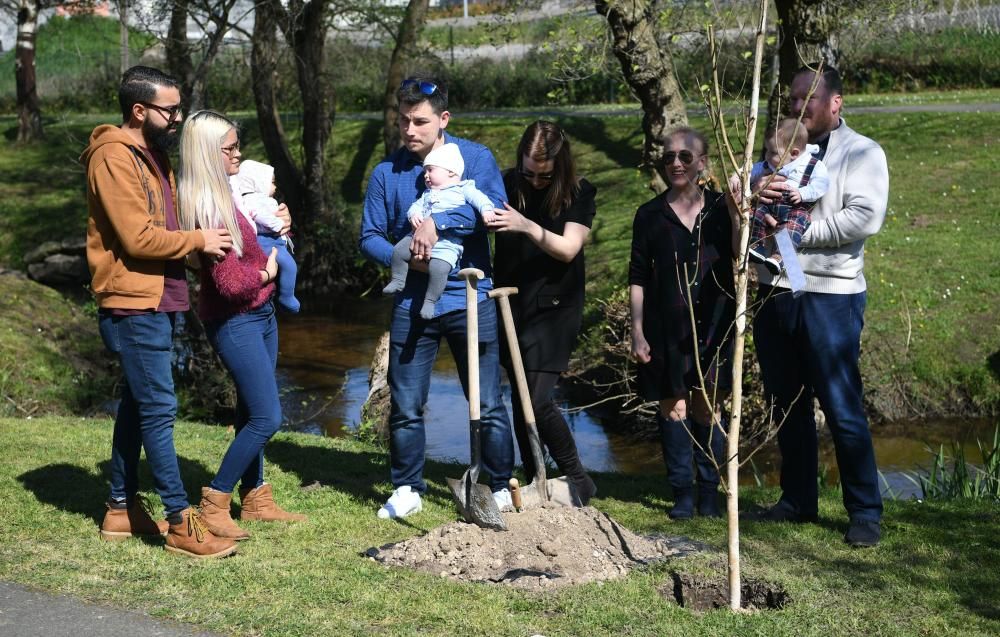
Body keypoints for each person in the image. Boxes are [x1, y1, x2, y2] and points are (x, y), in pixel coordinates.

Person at [83, 66, 237, 558]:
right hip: (132, 303)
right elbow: (137, 237)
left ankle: (119, 508)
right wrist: (198, 240)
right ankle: (178, 521)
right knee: (159, 409)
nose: (177, 117)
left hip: (159, 296)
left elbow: (167, 226)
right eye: (170, 109)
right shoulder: (113, 156)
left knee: (136, 405)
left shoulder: (154, 156)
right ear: (139, 110)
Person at [359, 76, 514, 519]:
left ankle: (498, 484)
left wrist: (438, 225)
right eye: (403, 121)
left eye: (420, 122)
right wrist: (404, 256)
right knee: (406, 403)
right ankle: (407, 487)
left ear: (443, 119)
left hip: (471, 297)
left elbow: (494, 213)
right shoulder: (388, 173)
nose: (410, 130)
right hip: (411, 303)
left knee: (486, 400)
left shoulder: (476, 159)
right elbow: (368, 236)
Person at [751, 65, 889, 548]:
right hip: (773, 291)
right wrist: (754, 197)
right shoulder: (778, 150)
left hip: (831, 295)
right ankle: (797, 500)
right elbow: (751, 200)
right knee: (786, 404)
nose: (797, 106)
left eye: (807, 97)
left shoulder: (863, 152)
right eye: (792, 98)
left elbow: (864, 217)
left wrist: (801, 235)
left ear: (836, 102)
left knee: (841, 406)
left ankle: (865, 511)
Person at [178, 110, 306, 541]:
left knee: (251, 410)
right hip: (236, 321)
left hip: (262, 314)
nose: (238, 153)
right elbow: (230, 283)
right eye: (229, 148)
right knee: (267, 417)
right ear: (206, 154)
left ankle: (256, 497)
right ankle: (213, 501)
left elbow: (256, 238)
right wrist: (269, 274)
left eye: (237, 145)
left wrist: (279, 220)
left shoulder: (231, 191)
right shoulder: (208, 206)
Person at [628, 127, 738, 520]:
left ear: (702, 163)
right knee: (673, 408)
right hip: (664, 330)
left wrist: (740, 211)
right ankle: (682, 494)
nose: (676, 163)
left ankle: (710, 492)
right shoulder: (649, 215)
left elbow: (743, 256)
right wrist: (637, 331)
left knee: (709, 409)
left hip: (715, 327)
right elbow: (638, 276)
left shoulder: (723, 209)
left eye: (685, 157)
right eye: (669, 156)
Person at [489, 120, 598, 505]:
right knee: (520, 397)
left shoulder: (579, 192)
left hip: (555, 307)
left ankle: (579, 479)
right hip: (508, 303)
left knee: (537, 399)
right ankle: (537, 474)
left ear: (560, 166)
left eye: (544, 175)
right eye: (528, 173)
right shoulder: (504, 182)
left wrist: (525, 226)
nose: (535, 181)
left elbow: (569, 248)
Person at [382, 142, 497, 319]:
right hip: (417, 237)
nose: (425, 176)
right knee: (398, 251)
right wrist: (414, 215)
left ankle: (430, 301)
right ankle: (398, 280)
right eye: (425, 171)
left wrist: (487, 210)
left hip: (448, 243)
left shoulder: (463, 188)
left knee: (440, 269)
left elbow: (480, 199)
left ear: (451, 171)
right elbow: (416, 206)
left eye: (430, 170)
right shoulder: (428, 194)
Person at [745, 117, 829, 274]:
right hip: (770, 207)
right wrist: (745, 183)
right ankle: (757, 245)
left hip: (794, 209)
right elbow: (748, 172)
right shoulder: (769, 165)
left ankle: (780, 258)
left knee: (793, 225)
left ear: (794, 153)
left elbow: (821, 185)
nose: (767, 156)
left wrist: (802, 193)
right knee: (754, 213)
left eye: (773, 152)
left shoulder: (813, 166)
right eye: (767, 151)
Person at [230, 159, 300, 313]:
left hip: (275, 241)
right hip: (266, 242)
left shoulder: (264, 200)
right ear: (258, 182)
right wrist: (277, 224)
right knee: (290, 266)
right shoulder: (250, 200)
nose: (275, 187)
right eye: (272, 182)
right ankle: (286, 297)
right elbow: (258, 215)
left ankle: (281, 295)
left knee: (287, 266)